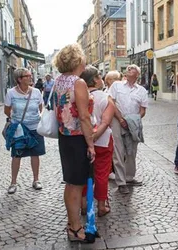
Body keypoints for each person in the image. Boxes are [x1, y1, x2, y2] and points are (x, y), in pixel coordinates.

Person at [53, 44, 95, 243]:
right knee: (77, 185)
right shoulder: (78, 83)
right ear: (78, 60)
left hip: (64, 137)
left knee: (71, 183)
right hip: (77, 137)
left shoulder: (58, 81)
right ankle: (76, 228)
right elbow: (84, 117)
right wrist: (91, 144)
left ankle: (72, 223)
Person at [80, 65, 115, 216]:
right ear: (94, 80)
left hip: (81, 140)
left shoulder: (79, 96)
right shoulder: (105, 98)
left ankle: (83, 205)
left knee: (84, 173)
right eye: (99, 76)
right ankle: (101, 206)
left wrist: (88, 139)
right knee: (101, 173)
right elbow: (105, 122)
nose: (102, 79)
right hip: (103, 141)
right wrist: (93, 138)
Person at [4, 68, 45, 194]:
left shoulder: (37, 92)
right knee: (17, 155)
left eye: (30, 75)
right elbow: (7, 110)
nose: (30, 77)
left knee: (35, 154)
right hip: (19, 129)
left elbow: (40, 107)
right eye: (27, 76)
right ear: (19, 79)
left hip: (35, 128)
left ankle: (36, 180)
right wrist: (16, 120)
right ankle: (13, 182)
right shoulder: (11, 93)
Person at [109, 64, 148, 194]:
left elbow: (143, 111)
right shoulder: (116, 85)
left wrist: (132, 120)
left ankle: (129, 177)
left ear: (137, 74)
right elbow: (111, 102)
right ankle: (121, 182)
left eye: (133, 68)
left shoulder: (141, 90)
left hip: (133, 123)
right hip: (116, 120)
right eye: (129, 68)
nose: (129, 69)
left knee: (132, 151)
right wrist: (120, 119)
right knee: (118, 151)